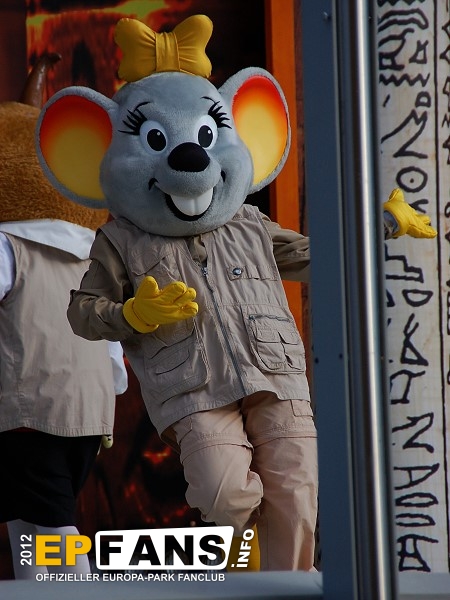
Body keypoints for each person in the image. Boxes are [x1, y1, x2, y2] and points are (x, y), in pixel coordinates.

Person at [35, 16, 437, 571]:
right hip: (193, 389)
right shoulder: (118, 240)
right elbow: (83, 312)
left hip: (276, 375)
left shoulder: (250, 223)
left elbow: (321, 256)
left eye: (205, 136)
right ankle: (246, 567)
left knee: (298, 492)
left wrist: (383, 225)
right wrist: (131, 313)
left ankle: (282, 588)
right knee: (224, 493)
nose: (191, 159)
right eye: (156, 140)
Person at [0, 55, 127, 579]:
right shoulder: (92, 253)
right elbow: (112, 337)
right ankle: (42, 588)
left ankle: (76, 592)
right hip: (87, 413)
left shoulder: (7, 247)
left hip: (31, 410)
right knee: (32, 520)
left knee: (52, 530)